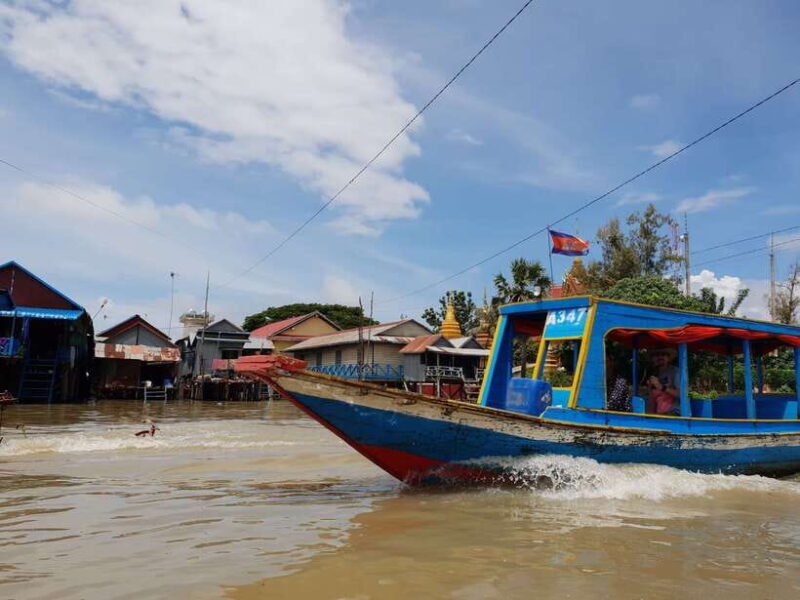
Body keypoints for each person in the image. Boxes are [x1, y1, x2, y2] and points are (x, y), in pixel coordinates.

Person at [647, 348, 680, 415]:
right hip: (660, 414)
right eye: (657, 355)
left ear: (668, 358)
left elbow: (682, 394)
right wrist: (649, 416)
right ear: (652, 358)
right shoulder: (654, 374)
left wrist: (662, 387)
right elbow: (652, 400)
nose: (660, 357)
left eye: (663, 354)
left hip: (675, 412)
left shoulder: (675, 372)